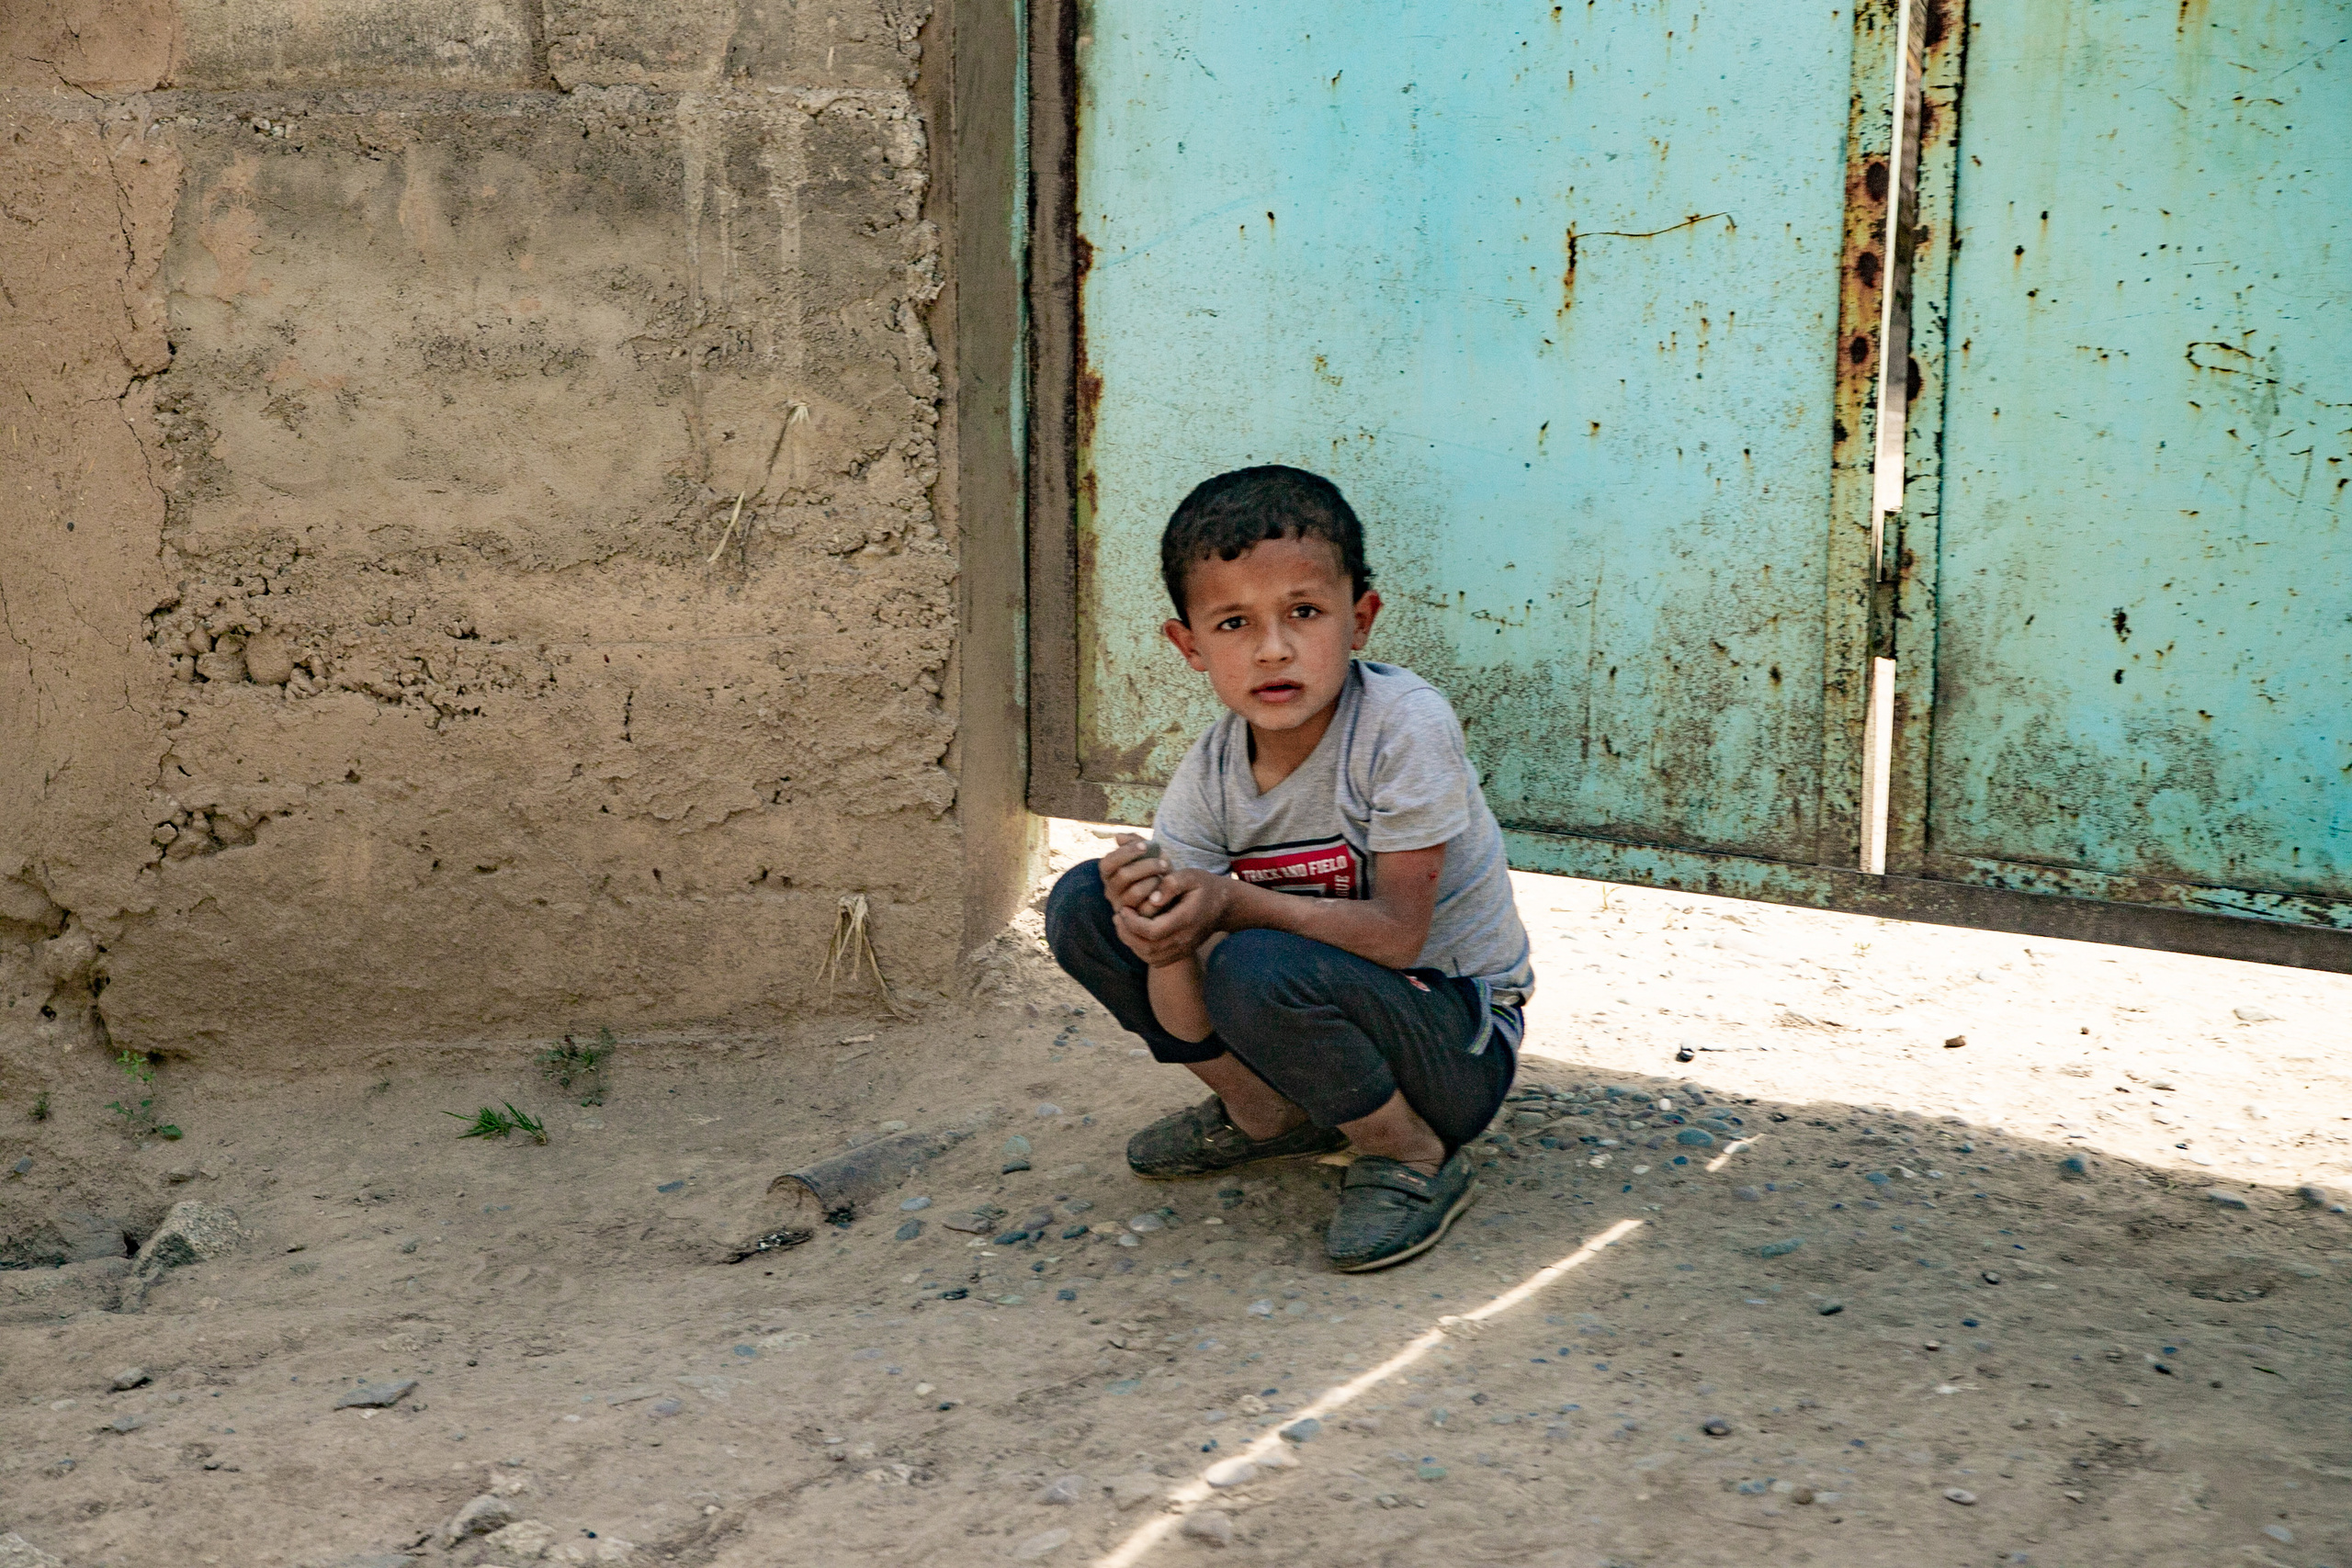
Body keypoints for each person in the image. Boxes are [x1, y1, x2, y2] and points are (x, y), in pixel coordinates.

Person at [1045, 466, 1534, 1271]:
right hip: (1309, 1002)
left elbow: (1400, 937)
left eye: (1303, 613)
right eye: (1234, 623)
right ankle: (1265, 1117)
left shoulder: (1402, 728)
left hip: (1453, 1035)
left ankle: (1410, 1153)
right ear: (1189, 646)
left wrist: (1229, 903)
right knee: (1083, 906)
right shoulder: (1211, 773)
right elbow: (1186, 1011)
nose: (1273, 649)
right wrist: (1164, 943)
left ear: (1360, 620)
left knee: (1252, 959)